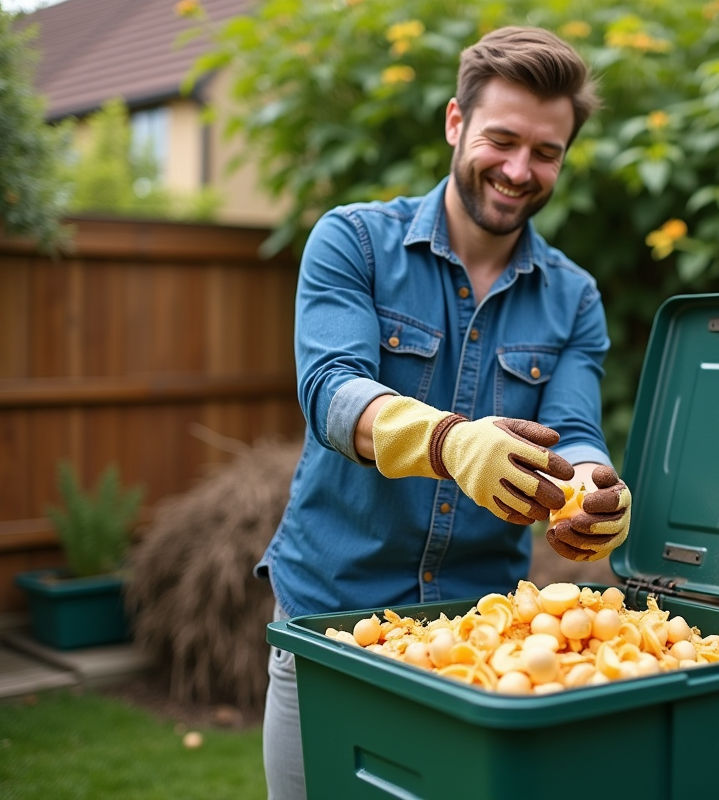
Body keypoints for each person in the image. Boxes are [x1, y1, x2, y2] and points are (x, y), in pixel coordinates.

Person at [255, 26, 633, 799]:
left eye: (547, 152)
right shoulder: (352, 240)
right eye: (502, 139)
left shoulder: (575, 297)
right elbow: (331, 388)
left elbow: (578, 430)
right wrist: (451, 442)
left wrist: (594, 489)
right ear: (456, 123)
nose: (520, 170)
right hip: (334, 621)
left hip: (482, 634)